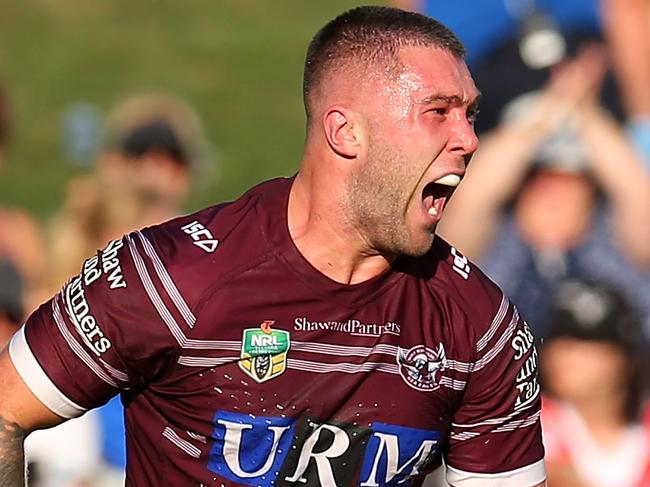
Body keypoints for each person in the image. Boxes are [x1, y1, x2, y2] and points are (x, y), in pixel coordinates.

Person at [0, 6, 546, 486]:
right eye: (439, 112)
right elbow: (6, 410)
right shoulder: (169, 278)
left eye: (470, 114)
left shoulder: (480, 325)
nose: (470, 139)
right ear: (346, 132)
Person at [437, 43, 650, 336]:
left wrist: (583, 108)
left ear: (593, 190)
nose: (552, 185)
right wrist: (553, 108)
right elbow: (472, 196)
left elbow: (636, 192)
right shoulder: (491, 247)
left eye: (570, 176)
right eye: (537, 174)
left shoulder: (618, 246)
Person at [540, 279, 650, 486]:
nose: (564, 357)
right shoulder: (523, 421)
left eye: (585, 342)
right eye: (557, 341)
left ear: (625, 358)